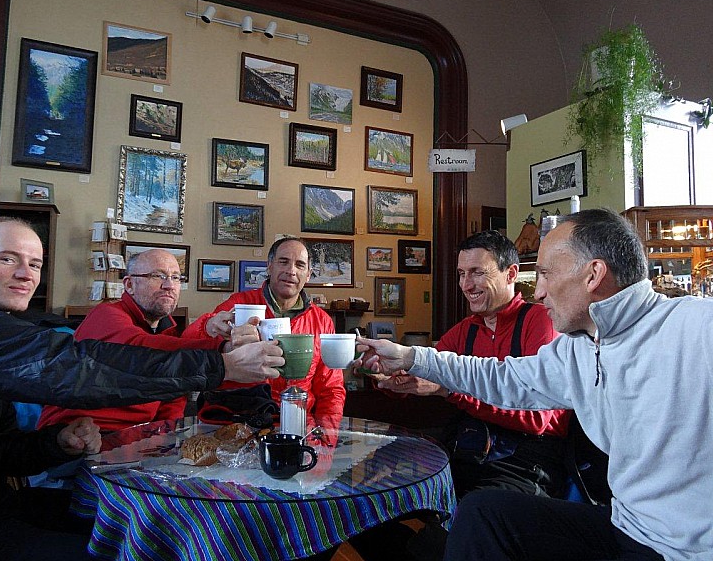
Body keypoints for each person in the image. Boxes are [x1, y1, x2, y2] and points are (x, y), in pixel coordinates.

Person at [0, 217, 283, 561]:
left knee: (159, 538)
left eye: (36, 264)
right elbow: (84, 368)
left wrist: (56, 442)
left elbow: (0, 451)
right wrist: (221, 363)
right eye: (8, 259)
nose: (26, 274)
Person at [355, 209, 713, 560]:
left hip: (685, 548)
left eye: (544, 274)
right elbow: (504, 377)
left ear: (593, 274)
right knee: (483, 514)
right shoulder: (579, 346)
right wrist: (410, 358)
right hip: (628, 527)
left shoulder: (696, 326)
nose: (538, 292)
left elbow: (537, 418)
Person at [377, 230, 569, 499]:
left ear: (511, 274)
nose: (466, 285)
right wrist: (384, 372)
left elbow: (537, 418)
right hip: (472, 451)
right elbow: (419, 377)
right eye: (461, 274)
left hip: (528, 463)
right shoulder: (465, 330)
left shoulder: (540, 322)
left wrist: (448, 390)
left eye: (477, 272)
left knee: (472, 509)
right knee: (392, 492)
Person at [38, 248, 224, 432]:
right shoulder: (105, 314)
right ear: (129, 285)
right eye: (157, 276)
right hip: (75, 437)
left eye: (175, 277)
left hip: (135, 442)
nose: (169, 286)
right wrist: (223, 348)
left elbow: (174, 394)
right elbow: (140, 349)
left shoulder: (168, 331)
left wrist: (166, 438)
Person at [182, 237, 345, 436]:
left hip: (298, 425)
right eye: (283, 262)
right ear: (269, 266)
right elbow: (188, 343)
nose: (291, 271)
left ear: (309, 275)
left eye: (300, 265)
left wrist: (327, 438)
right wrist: (208, 326)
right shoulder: (241, 304)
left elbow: (331, 389)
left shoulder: (322, 321)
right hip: (237, 423)